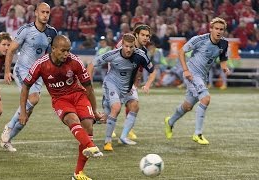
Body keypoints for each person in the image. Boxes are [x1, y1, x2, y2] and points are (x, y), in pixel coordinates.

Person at [19, 35, 104, 180]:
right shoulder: (41, 64)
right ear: (53, 49)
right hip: (60, 99)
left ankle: (78, 174)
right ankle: (91, 145)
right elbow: (25, 87)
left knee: (88, 126)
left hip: (78, 95)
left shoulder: (75, 61)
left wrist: (95, 111)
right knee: (72, 119)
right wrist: (23, 112)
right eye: (63, 51)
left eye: (68, 50)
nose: (66, 54)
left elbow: (89, 88)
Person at [1, 2, 57, 152]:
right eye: (43, 12)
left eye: (47, 12)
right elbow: (11, 51)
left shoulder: (52, 33)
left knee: (27, 113)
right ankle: (9, 126)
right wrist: (7, 71)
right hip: (22, 69)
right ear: (36, 13)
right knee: (33, 99)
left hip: (38, 73)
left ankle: (8, 140)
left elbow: (51, 55)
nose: (45, 15)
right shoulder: (26, 30)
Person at [164, 17, 230, 145]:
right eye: (216, 28)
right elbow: (181, 52)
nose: (219, 31)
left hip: (202, 77)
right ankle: (198, 134)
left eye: (221, 29)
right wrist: (185, 70)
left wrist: (225, 68)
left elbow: (223, 58)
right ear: (211, 29)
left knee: (187, 106)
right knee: (205, 98)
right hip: (192, 74)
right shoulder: (199, 39)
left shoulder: (224, 43)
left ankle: (170, 122)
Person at [87, 33, 155, 151]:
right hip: (111, 84)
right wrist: (89, 84)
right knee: (116, 108)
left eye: (131, 47)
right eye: (126, 46)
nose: (129, 50)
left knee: (134, 106)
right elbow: (92, 64)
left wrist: (147, 84)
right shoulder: (113, 54)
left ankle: (123, 136)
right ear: (121, 45)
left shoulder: (141, 55)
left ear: (135, 46)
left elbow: (152, 71)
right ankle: (107, 142)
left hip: (127, 87)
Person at [114, 24, 156, 140]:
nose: (145, 38)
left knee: (134, 105)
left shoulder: (143, 51)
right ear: (136, 35)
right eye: (143, 35)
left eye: (147, 36)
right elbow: (111, 60)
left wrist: (142, 83)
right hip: (115, 79)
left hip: (129, 82)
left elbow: (144, 68)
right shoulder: (123, 44)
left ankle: (126, 133)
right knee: (115, 107)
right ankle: (110, 128)